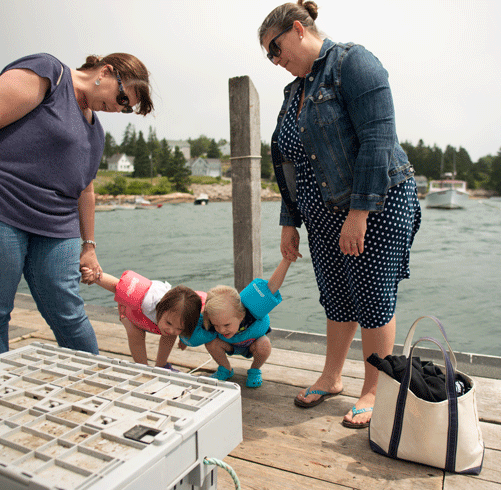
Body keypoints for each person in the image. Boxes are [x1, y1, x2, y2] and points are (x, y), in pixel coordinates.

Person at [258, 1, 422, 428]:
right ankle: (332, 377)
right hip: (320, 214)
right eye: (268, 57)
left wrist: (358, 213)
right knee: (335, 296)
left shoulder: (353, 62)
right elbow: (290, 163)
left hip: (376, 204)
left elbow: (379, 140)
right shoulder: (294, 91)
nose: (275, 61)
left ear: (297, 29)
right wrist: (288, 220)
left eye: (275, 50)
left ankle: (374, 388)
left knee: (372, 296)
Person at [0, 52, 154, 361]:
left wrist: (88, 245)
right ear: (105, 71)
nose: (119, 108)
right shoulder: (49, 73)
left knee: (69, 310)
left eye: (125, 107)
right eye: (121, 97)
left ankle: (93, 383)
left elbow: (85, 188)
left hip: (56, 223)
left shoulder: (96, 131)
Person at [179, 257, 294, 388]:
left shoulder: (250, 314)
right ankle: (225, 369)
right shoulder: (211, 320)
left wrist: (286, 260)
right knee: (211, 343)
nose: (221, 330)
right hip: (228, 345)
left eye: (226, 325)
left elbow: (272, 286)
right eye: (216, 325)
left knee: (265, 344)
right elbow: (191, 327)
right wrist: (183, 341)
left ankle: (255, 369)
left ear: (240, 316)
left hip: (251, 344)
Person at [81, 268, 204, 369]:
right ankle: (142, 367)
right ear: (161, 308)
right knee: (136, 334)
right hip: (131, 311)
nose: (172, 329)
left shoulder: (182, 314)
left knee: (169, 335)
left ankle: (161, 365)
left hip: (157, 318)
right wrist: (95, 276)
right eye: (169, 323)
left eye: (179, 328)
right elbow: (116, 286)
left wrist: (183, 339)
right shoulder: (147, 300)